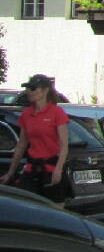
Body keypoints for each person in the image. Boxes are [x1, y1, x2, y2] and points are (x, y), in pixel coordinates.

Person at [0, 74, 69, 203]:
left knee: (55, 209)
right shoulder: (27, 114)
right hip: (32, 168)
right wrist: (10, 173)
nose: (29, 92)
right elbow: (21, 145)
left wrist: (59, 169)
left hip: (51, 168)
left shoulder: (57, 112)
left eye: (33, 88)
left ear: (45, 90)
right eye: (27, 88)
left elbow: (64, 145)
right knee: (27, 205)